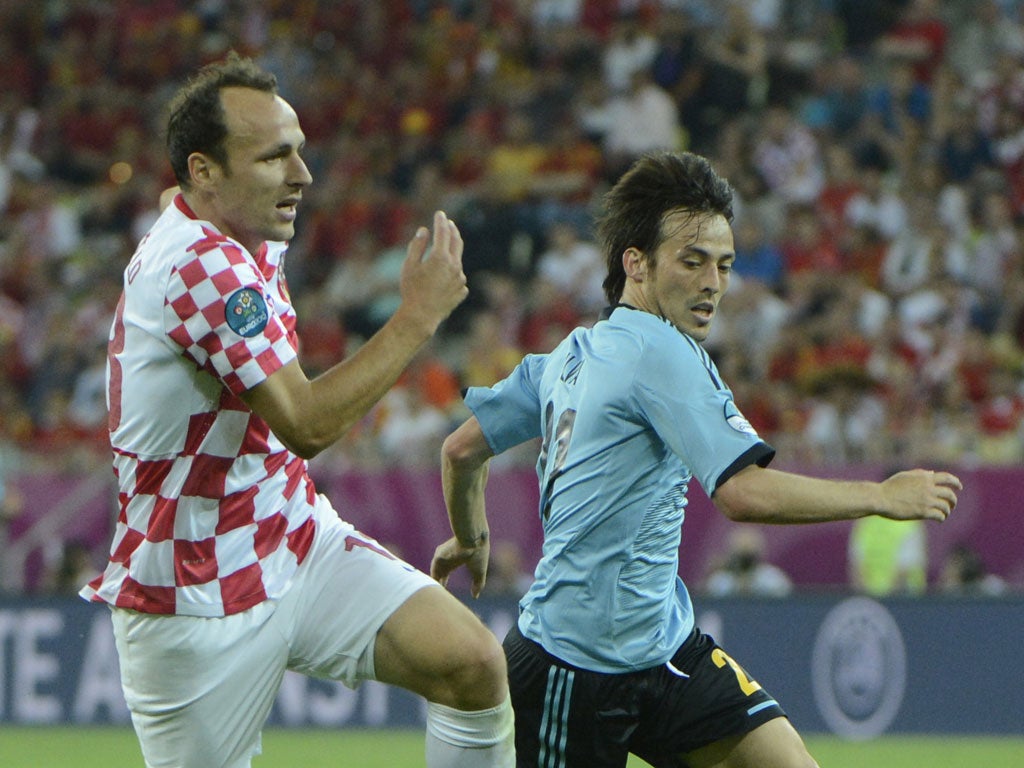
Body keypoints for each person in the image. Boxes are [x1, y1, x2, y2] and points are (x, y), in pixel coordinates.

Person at [430, 150, 961, 768]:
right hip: (570, 666)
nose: (713, 282)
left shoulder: (565, 358)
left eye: (724, 265)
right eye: (693, 261)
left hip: (663, 650)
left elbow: (460, 451)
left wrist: (470, 536)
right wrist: (879, 496)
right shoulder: (662, 352)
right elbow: (742, 492)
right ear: (636, 263)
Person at [79, 53, 514, 768]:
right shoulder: (202, 264)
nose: (302, 175)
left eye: (298, 150)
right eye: (273, 157)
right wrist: (418, 316)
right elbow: (306, 424)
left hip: (292, 537)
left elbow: (169, 197)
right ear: (205, 172)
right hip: (193, 591)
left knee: (471, 664)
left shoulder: (237, 222)